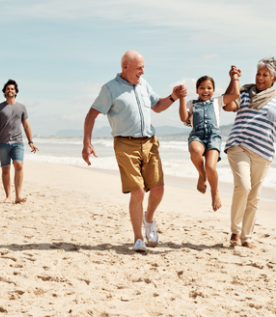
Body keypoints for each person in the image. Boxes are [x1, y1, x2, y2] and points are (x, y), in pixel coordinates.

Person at [82, 50, 187, 253]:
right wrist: (87, 143)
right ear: (125, 67)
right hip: (125, 144)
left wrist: (173, 97)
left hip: (150, 142)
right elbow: (91, 115)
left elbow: (157, 106)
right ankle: (138, 238)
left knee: (158, 190)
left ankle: (148, 220)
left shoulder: (143, 85)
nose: (143, 72)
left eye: (143, 67)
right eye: (139, 68)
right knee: (138, 192)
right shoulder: (110, 89)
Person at [223, 57, 276, 248]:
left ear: (274, 78)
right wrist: (233, 79)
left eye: (265, 74)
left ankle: (247, 236)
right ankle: (235, 232)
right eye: (258, 73)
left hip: (263, 151)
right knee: (243, 186)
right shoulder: (244, 93)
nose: (260, 77)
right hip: (239, 145)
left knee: (254, 196)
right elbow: (228, 105)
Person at [178, 66, 241, 211]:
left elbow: (236, 93)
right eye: (202, 88)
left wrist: (235, 76)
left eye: (209, 88)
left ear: (213, 90)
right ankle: (202, 175)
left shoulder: (217, 102)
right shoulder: (191, 104)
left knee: (211, 167)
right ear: (197, 90)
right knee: (194, 150)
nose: (205, 91)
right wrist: (182, 98)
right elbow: (183, 117)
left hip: (213, 136)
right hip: (197, 135)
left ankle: (215, 191)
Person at [0, 79, 39, 204]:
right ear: (4, 91)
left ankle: (18, 196)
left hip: (18, 142)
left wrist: (30, 141)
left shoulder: (21, 107)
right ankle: (8, 196)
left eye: (12, 89)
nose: (10, 90)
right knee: (5, 169)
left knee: (19, 165)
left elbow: (26, 125)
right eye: (8, 89)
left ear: (16, 92)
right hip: (2, 143)